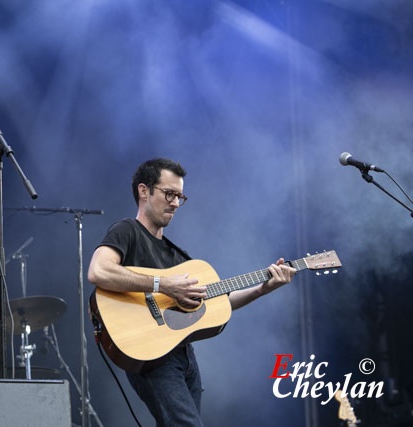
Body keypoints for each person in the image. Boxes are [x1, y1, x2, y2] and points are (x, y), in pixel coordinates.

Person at [87, 158, 296, 426]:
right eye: (169, 194)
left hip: (183, 356)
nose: (175, 203)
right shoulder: (127, 231)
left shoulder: (178, 257)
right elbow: (98, 271)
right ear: (144, 191)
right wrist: (162, 285)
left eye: (180, 196)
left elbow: (219, 302)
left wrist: (262, 289)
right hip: (152, 355)